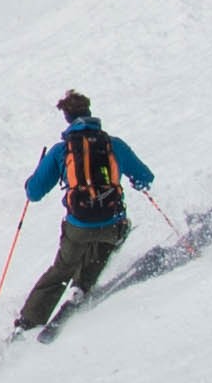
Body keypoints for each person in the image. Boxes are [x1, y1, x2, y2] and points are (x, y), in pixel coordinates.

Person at [16, 90, 154, 333]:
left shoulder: (61, 151)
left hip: (77, 226)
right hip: (113, 223)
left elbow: (34, 193)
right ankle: (83, 285)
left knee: (62, 268)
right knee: (108, 238)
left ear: (67, 118)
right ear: (89, 113)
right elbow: (145, 178)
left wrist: (31, 180)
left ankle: (29, 322)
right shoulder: (114, 144)